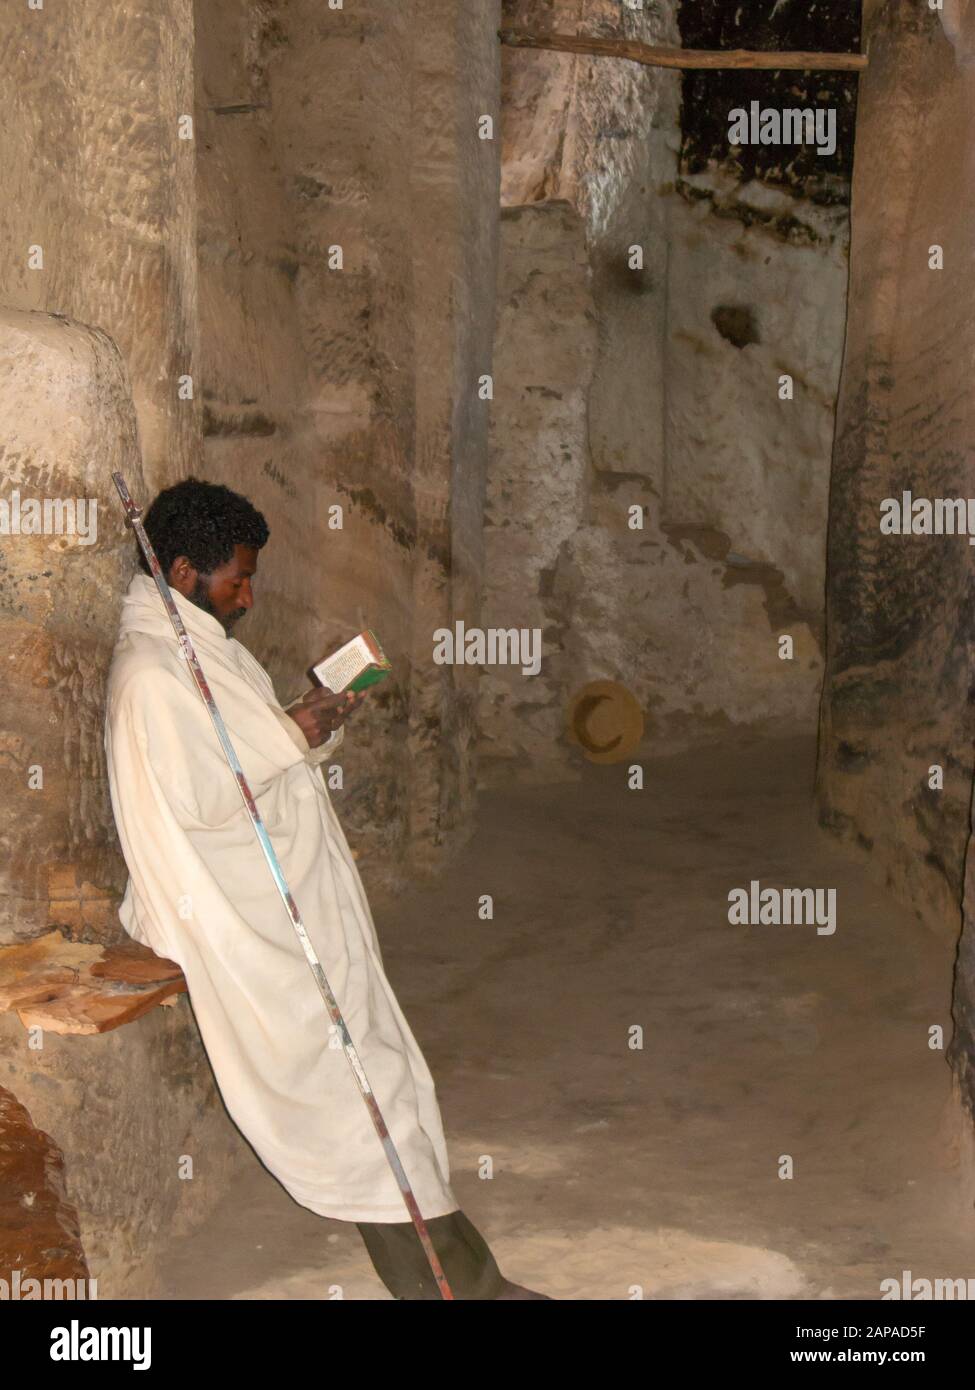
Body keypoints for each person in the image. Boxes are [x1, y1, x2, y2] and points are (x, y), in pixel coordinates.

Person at [103, 477, 548, 1300]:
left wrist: (304, 726)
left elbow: (242, 759)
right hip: (253, 928)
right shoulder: (153, 674)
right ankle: (460, 1292)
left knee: (385, 1090)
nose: (249, 592)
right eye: (236, 577)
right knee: (363, 1110)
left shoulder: (197, 642)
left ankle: (468, 1282)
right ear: (177, 569)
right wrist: (287, 734)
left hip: (293, 904)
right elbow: (201, 798)